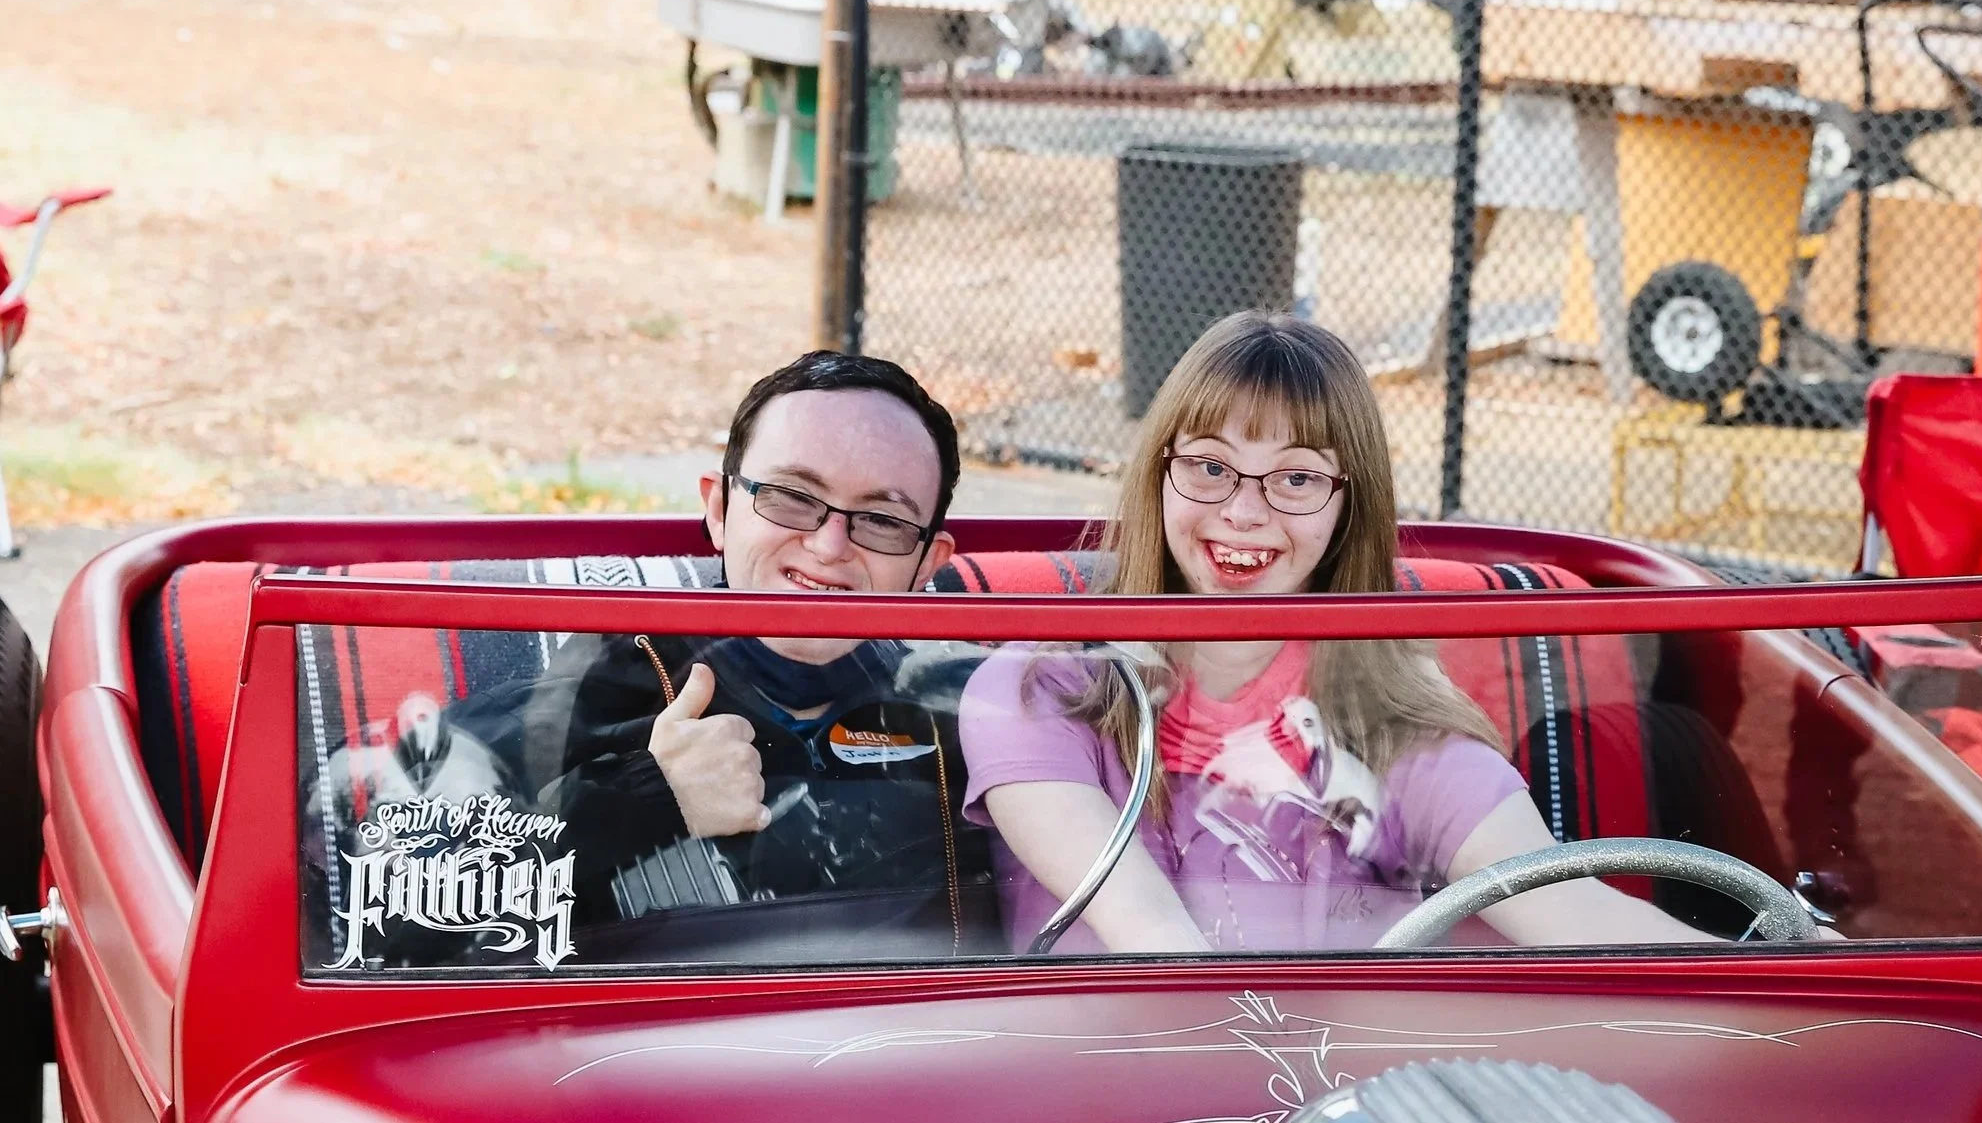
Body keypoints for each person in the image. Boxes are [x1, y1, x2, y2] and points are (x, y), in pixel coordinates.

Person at [958, 312, 1713, 954]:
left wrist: (1806, 967)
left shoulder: (1394, 727)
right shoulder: (1035, 694)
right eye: (1210, 467)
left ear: (1347, 504)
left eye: (1295, 479)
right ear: (1160, 473)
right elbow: (1156, 941)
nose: (1244, 513)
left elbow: (1573, 912)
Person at [346, 350, 992, 963]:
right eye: (792, 495)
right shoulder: (605, 681)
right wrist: (648, 797)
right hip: (632, 1063)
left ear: (927, 563)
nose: (829, 545)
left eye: (882, 519)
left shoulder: (966, 711)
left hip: (914, 1056)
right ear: (719, 508)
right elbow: (373, 915)